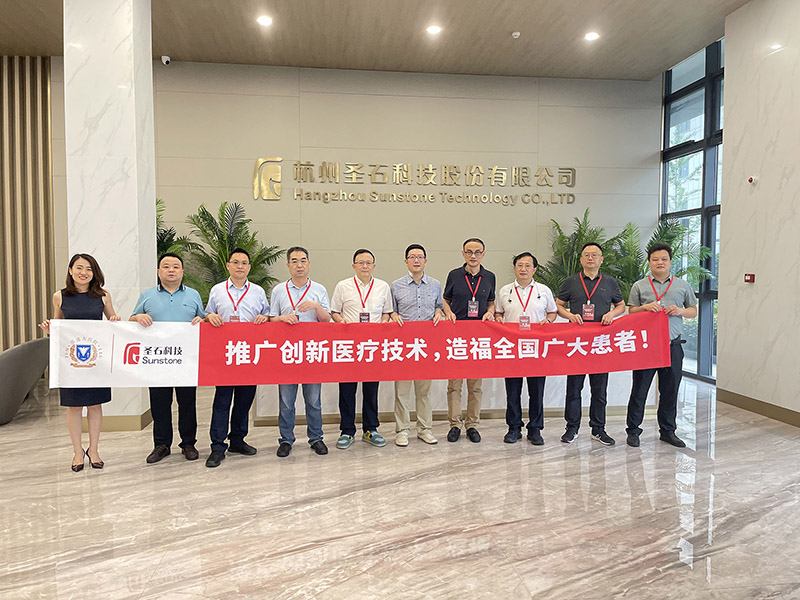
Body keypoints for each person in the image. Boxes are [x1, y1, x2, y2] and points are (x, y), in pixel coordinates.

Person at [39, 254, 121, 472]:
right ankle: (77, 451)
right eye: (79, 268)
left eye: (89, 269)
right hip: (71, 361)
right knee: (74, 407)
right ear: (70, 270)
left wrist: (115, 320)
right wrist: (50, 329)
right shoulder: (60, 296)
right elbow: (58, 327)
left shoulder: (103, 295)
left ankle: (94, 450)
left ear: (94, 273)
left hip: (96, 360)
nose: (84, 273)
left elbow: (113, 323)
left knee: (95, 405)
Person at [131, 253, 206, 464]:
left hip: (186, 360)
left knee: (187, 403)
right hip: (158, 361)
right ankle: (161, 445)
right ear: (158, 272)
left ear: (182, 271)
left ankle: (188, 443)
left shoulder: (193, 295)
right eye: (166, 266)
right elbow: (131, 320)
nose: (171, 270)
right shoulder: (147, 295)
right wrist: (138, 317)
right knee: (160, 403)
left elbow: (203, 318)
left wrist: (202, 320)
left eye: (175, 266)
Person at [626, 243, 697, 448]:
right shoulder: (639, 285)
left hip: (672, 346)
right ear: (649, 262)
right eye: (655, 259)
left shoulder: (682, 285)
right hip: (647, 346)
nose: (660, 262)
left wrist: (680, 311)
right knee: (639, 390)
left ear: (670, 262)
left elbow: (693, 311)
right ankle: (633, 431)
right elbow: (631, 312)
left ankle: (668, 431)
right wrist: (645, 308)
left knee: (670, 390)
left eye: (664, 259)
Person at [204, 248, 270, 468]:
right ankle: (217, 446)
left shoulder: (258, 291)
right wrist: (210, 316)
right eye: (235, 262)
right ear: (228, 266)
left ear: (249, 267)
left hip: (249, 354)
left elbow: (267, 315)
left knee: (244, 400)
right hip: (225, 354)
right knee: (222, 401)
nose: (240, 266)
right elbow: (207, 314)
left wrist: (264, 318)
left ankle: (238, 440)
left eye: (244, 263)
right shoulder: (217, 290)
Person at [555, 242, 625, 446]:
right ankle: (572, 428)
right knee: (574, 388)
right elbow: (558, 305)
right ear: (581, 259)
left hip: (600, 343)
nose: (591, 258)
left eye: (595, 255)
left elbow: (621, 305)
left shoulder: (609, 282)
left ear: (601, 259)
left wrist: (612, 314)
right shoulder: (571, 281)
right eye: (586, 255)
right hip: (577, 343)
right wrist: (569, 315)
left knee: (599, 389)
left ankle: (598, 429)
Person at [269, 246, 331, 458]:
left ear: (309, 264)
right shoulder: (279, 290)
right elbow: (271, 319)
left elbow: (326, 320)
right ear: (288, 265)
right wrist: (282, 318)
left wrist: (316, 306)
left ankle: (316, 438)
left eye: (303, 260)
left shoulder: (319, 289)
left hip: (312, 352)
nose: (299, 265)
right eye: (294, 261)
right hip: (287, 352)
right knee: (286, 402)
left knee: (313, 400)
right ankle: (286, 440)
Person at [330, 248, 393, 450]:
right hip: (348, 346)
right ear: (353, 266)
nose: (364, 266)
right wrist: (341, 320)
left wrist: (383, 323)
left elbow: (387, 312)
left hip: (372, 346)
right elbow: (334, 312)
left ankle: (370, 429)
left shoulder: (383, 286)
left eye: (368, 263)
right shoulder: (343, 286)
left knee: (371, 389)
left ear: (373, 266)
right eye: (360, 262)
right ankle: (347, 431)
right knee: (347, 390)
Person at [495, 252, 557, 446]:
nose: (523, 269)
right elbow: (498, 312)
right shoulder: (505, 291)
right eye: (520, 265)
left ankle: (535, 429)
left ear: (534, 269)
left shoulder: (543, 290)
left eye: (528, 265)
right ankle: (514, 428)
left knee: (536, 390)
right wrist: (498, 319)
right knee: (513, 390)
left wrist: (548, 321)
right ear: (515, 268)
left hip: (536, 347)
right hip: (512, 347)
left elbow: (552, 312)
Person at [389, 244, 444, 447]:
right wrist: (393, 315)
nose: (416, 260)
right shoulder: (396, 285)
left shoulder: (435, 284)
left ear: (426, 261)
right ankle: (402, 430)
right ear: (406, 261)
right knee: (402, 392)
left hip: (425, 346)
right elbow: (391, 310)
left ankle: (424, 429)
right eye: (412, 257)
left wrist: (439, 312)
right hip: (403, 346)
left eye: (420, 257)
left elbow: (439, 307)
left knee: (423, 392)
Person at [442, 237, 496, 443]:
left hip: (478, 338)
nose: (473, 256)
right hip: (456, 337)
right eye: (469, 252)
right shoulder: (454, 275)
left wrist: (490, 312)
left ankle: (472, 424)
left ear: (483, 254)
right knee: (454, 385)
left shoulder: (489, 277)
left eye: (477, 252)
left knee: (475, 386)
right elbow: (445, 299)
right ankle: (454, 425)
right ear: (463, 254)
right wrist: (448, 312)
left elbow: (491, 302)